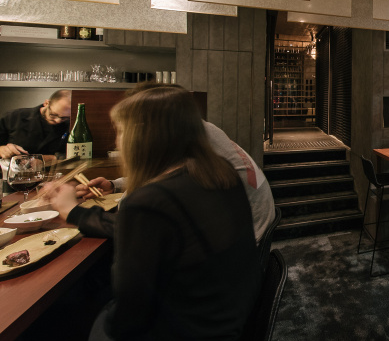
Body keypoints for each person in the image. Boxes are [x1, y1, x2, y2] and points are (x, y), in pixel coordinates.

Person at [44, 86, 260, 341]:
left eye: (121, 131)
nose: (118, 140)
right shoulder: (219, 173)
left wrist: (72, 211)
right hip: (233, 336)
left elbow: (128, 319)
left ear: (142, 136)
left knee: (56, 331)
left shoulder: (150, 202)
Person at [65, 83, 276, 244]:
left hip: (246, 235)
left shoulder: (187, 139)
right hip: (242, 234)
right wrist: (115, 185)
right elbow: (163, 179)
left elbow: (134, 219)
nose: (120, 140)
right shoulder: (195, 131)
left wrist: (71, 210)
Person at [0, 89, 70, 160]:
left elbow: (71, 155)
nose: (58, 120)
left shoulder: (70, 126)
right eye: (53, 115)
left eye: (64, 118)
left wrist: (45, 159)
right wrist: (2, 149)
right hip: (12, 166)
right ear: (46, 103)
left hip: (53, 167)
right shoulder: (14, 117)